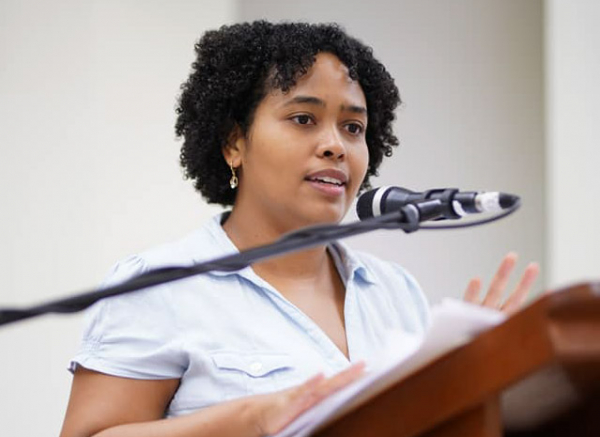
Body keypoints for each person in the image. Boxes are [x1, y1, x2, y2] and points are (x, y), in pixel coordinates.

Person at [60, 21, 539, 437]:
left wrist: (471, 380)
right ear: (234, 144)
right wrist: (254, 418)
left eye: (353, 128)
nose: (334, 145)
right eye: (303, 119)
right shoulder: (160, 284)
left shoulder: (395, 292)